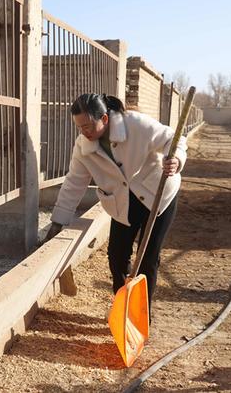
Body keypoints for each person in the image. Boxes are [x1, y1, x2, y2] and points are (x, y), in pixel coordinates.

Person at [43, 93, 187, 317]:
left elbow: (173, 139)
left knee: (148, 258)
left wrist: (175, 159)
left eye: (89, 126)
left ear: (105, 119)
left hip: (157, 195)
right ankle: (124, 311)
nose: (84, 132)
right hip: (123, 204)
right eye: (79, 127)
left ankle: (141, 317)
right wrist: (58, 222)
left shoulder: (135, 124)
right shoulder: (83, 147)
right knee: (117, 257)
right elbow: (74, 183)